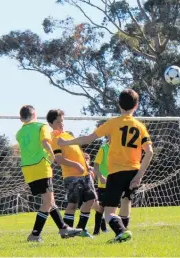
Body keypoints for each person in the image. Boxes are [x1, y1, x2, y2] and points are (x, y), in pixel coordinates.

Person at [57, 89, 154, 243]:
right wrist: (139, 175)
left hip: (116, 173)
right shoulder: (140, 126)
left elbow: (87, 139)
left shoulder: (112, 123)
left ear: (118, 105)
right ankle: (123, 232)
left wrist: (66, 142)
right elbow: (149, 152)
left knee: (108, 213)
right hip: (134, 171)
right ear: (136, 106)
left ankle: (122, 232)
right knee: (126, 201)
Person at [16, 105, 83, 242]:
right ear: (35, 114)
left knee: (50, 201)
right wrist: (52, 156)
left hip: (27, 169)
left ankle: (64, 228)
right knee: (47, 203)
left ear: (21, 118)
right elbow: (46, 142)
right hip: (41, 166)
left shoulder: (19, 133)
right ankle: (34, 234)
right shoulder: (42, 127)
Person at [47, 109, 97, 238]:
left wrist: (87, 166)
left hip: (84, 174)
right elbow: (58, 159)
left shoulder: (68, 136)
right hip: (71, 176)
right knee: (73, 204)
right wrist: (76, 165)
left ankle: (81, 229)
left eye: (62, 121)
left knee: (91, 200)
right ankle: (66, 233)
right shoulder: (54, 138)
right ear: (51, 124)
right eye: (58, 122)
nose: (61, 124)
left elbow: (79, 153)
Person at [92, 136, 110, 235]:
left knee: (111, 208)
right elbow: (96, 165)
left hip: (115, 183)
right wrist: (101, 176)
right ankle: (96, 231)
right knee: (100, 208)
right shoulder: (103, 149)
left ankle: (116, 229)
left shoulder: (120, 149)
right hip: (103, 184)